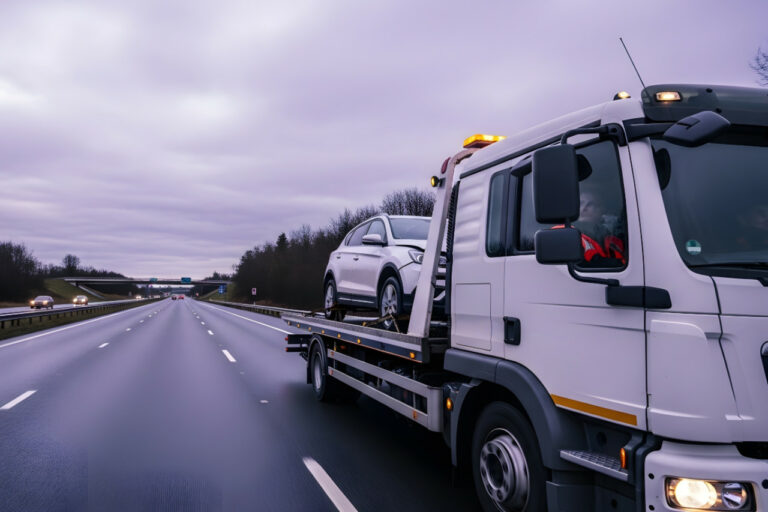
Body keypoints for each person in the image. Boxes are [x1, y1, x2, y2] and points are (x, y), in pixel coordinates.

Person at [572, 188, 626, 267]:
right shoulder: (564, 232)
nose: (583, 209)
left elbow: (624, 264)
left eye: (590, 205)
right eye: (581, 204)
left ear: (602, 210)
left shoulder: (613, 241)